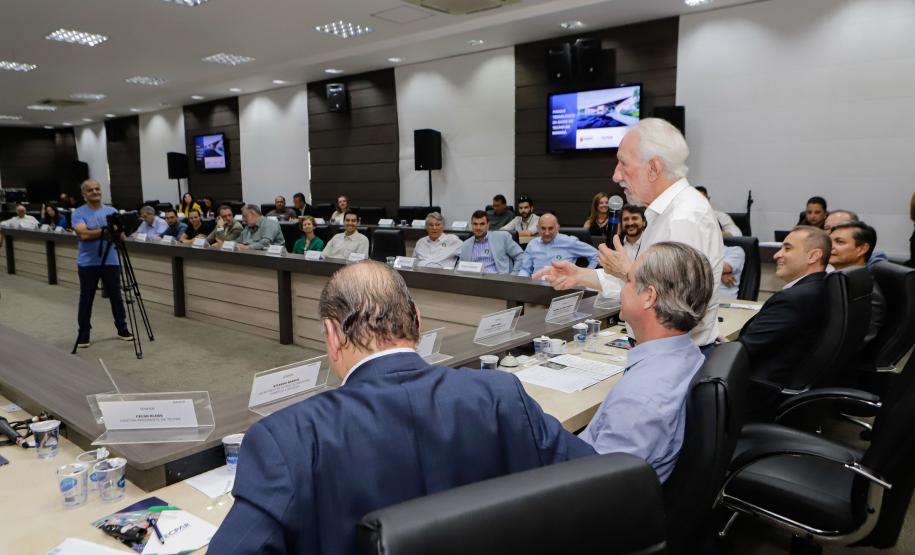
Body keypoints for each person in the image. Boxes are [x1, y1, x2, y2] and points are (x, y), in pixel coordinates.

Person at [208, 261, 595, 554]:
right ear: (418, 322)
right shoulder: (501, 396)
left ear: (331, 335)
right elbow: (600, 479)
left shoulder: (288, 439)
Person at [534, 118, 724, 349]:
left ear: (653, 168)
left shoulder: (683, 219)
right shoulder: (665, 213)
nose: (616, 176)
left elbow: (675, 306)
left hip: (672, 357)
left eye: (623, 164)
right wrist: (579, 275)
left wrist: (626, 270)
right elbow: (643, 283)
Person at [580, 242, 714, 482]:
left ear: (649, 297)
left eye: (628, 281)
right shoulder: (689, 354)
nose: (623, 290)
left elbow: (594, 490)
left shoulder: (640, 400)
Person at [738, 226, 830, 416]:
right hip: (785, 379)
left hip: (760, 390)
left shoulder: (795, 298)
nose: (777, 255)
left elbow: (743, 351)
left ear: (813, 256)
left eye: (787, 248)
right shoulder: (821, 286)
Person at [70, 179, 132, 347]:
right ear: (84, 194)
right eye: (90, 190)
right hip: (87, 263)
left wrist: (114, 233)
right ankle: (83, 334)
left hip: (111, 260)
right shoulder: (78, 213)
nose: (95, 192)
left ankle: (122, 328)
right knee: (86, 298)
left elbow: (121, 235)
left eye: (97, 189)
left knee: (116, 297)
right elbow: (82, 234)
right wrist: (106, 231)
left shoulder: (111, 210)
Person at [830, 221, 885, 344]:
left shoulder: (867, 294)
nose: (830, 246)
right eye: (829, 241)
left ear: (862, 249)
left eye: (839, 242)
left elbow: (852, 344)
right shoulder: (839, 280)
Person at [514, 213, 598, 277]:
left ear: (557, 228)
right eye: (543, 228)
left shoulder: (569, 242)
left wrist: (585, 275)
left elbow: (596, 255)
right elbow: (525, 269)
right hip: (537, 288)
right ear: (538, 228)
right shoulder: (532, 244)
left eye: (550, 228)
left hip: (562, 288)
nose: (546, 233)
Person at [459, 210, 523, 274]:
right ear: (471, 225)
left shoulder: (502, 237)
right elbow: (461, 267)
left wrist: (514, 274)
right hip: (474, 280)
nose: (478, 227)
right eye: (475, 224)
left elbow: (520, 255)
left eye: (482, 224)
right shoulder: (465, 245)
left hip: (498, 280)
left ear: (488, 225)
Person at [823, 209, 888, 267]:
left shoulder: (875, 264)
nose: (830, 232)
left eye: (839, 241)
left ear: (862, 249)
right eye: (826, 228)